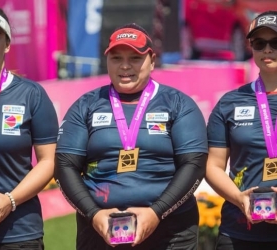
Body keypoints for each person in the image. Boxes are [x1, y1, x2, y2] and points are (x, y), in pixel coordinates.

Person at [54, 22, 208, 250]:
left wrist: (157, 212)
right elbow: (64, 165)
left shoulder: (178, 103)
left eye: (135, 58)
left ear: (152, 61)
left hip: (170, 230)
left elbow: (194, 163)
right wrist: (94, 214)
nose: (125, 66)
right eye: (116, 58)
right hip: (100, 229)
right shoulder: (86, 105)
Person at [0, 3, 59, 250]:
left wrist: (10, 200)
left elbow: (49, 161)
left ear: (7, 44)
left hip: (18, 232)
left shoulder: (31, 94)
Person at [205, 10, 277, 250]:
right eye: (259, 43)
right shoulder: (230, 102)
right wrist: (240, 199)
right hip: (239, 232)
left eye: (275, 42)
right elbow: (213, 166)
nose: (267, 49)